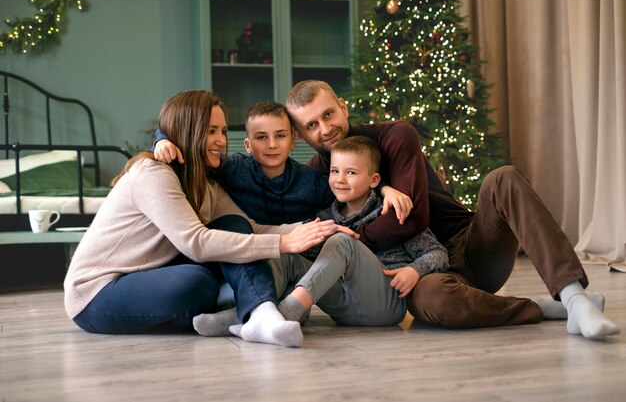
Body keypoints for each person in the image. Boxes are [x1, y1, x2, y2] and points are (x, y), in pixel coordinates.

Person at [285, 80, 620, 340]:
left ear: (343, 107)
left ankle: (574, 298)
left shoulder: (395, 136)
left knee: (503, 178)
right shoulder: (316, 175)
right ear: (300, 135)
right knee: (431, 304)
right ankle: (543, 308)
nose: (325, 128)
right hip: (427, 275)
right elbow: (321, 235)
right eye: (311, 125)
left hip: (470, 243)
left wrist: (353, 236)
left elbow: (413, 220)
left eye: (328, 114)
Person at [63, 89, 352, 348]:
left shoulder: (206, 182)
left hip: (151, 273)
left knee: (234, 228)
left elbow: (250, 228)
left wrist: (314, 230)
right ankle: (247, 312)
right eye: (211, 131)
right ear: (190, 130)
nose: (221, 141)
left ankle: (260, 314)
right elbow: (195, 243)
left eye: (223, 131)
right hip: (98, 292)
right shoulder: (153, 173)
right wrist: (283, 244)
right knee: (196, 283)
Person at [276, 135, 449, 327]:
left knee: (342, 240)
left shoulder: (390, 213)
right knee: (287, 256)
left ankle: (288, 311)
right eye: (335, 171)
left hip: (385, 304)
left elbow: (438, 253)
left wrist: (415, 270)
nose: (340, 179)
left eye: (351, 172)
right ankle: (264, 311)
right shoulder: (325, 215)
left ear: (374, 180)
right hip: (343, 307)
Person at [154, 100, 413, 225]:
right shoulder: (233, 168)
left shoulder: (311, 181)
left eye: (280, 136)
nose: (271, 145)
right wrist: (161, 140)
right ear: (247, 145)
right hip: (251, 251)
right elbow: (193, 149)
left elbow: (349, 188)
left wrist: (385, 188)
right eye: (261, 138)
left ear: (293, 140)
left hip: (297, 258)